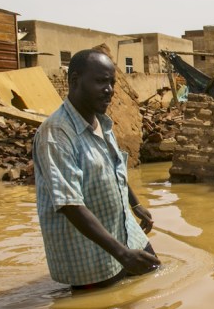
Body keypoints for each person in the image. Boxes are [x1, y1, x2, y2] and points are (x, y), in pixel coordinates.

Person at [33, 49, 159, 289]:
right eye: (101, 81)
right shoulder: (56, 134)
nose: (109, 89)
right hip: (91, 253)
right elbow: (70, 205)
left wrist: (135, 204)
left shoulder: (101, 121)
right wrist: (122, 254)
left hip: (125, 232)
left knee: (154, 277)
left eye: (112, 82)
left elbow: (114, 168)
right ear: (74, 81)